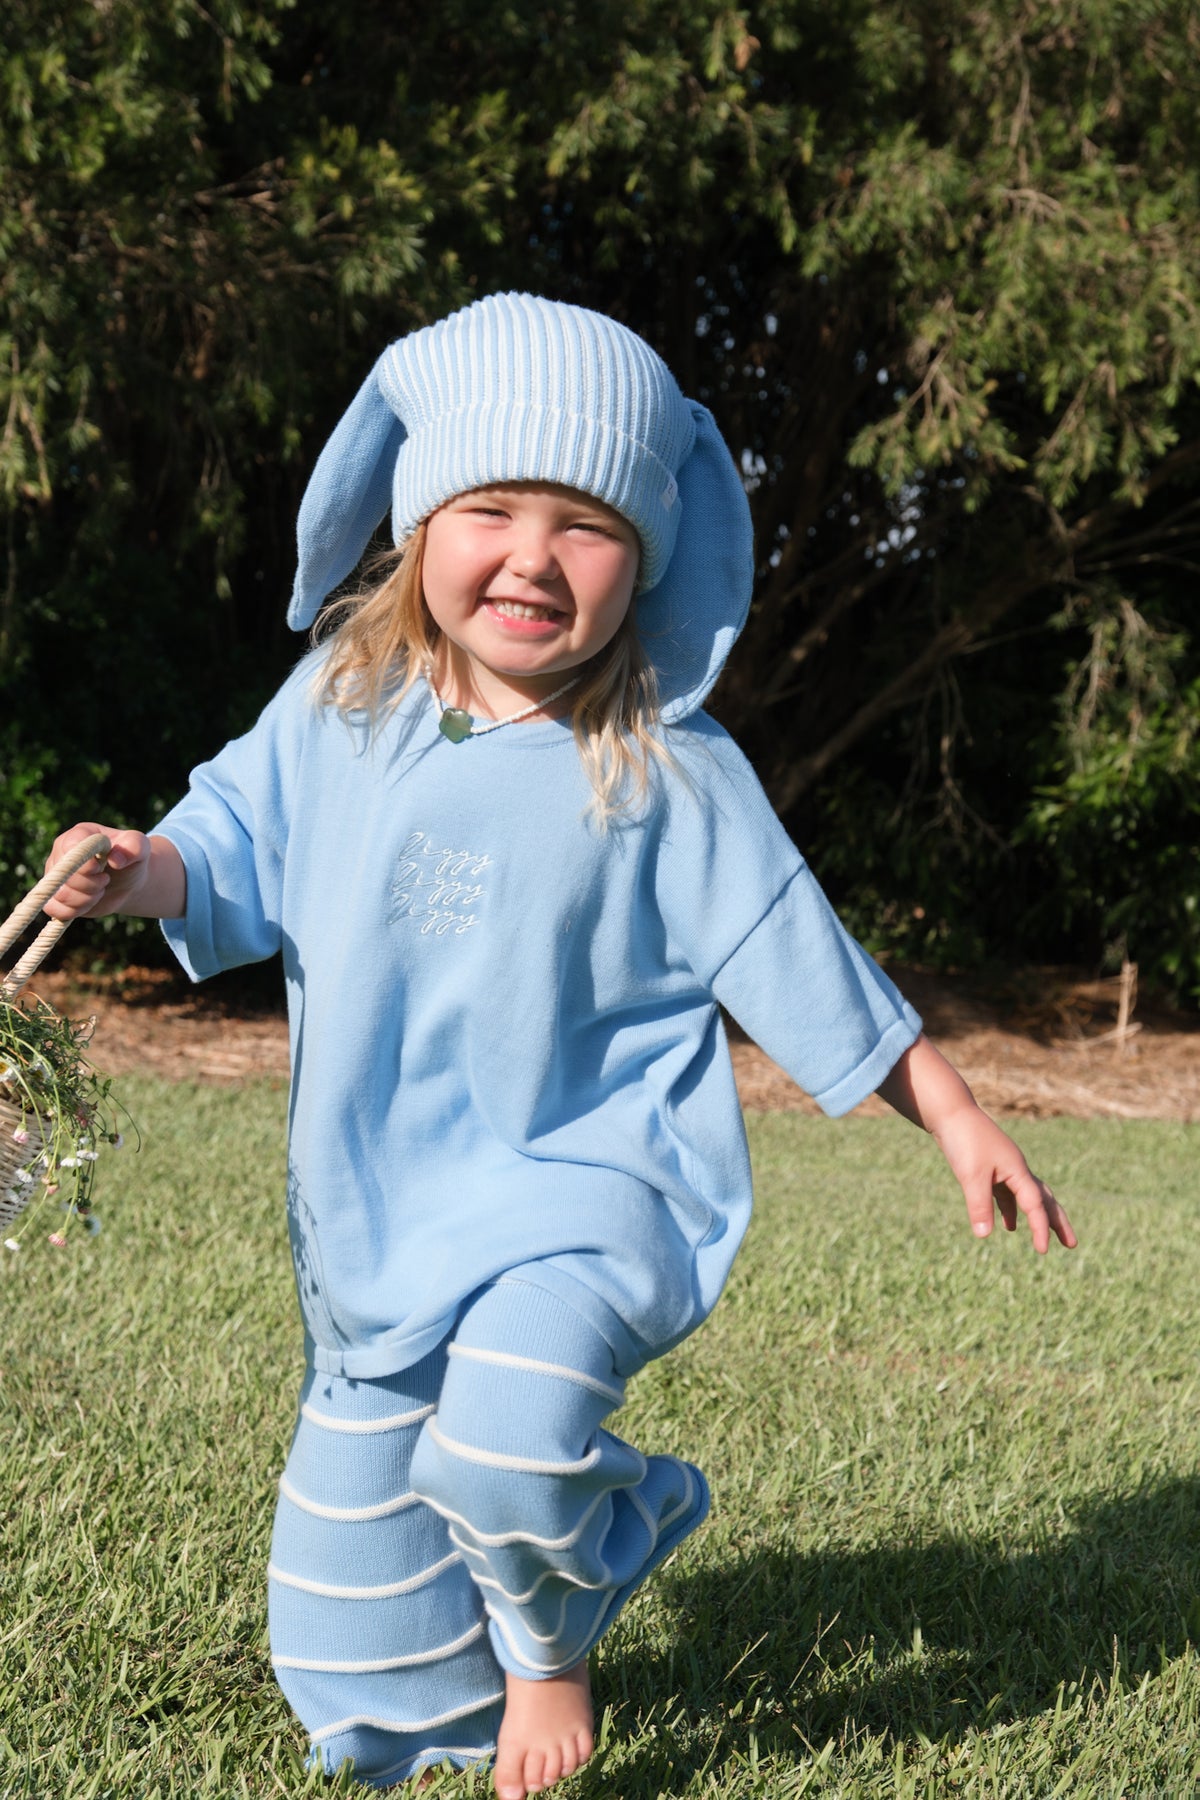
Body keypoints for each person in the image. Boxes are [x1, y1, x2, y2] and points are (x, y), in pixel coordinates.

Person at [45, 292, 1076, 1798]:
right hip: (383, 1216)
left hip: (593, 1197)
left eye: (584, 525)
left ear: (640, 558)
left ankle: (550, 1641)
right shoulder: (340, 706)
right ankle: (489, 1672)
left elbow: (801, 954)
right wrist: (134, 868)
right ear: (419, 526)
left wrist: (956, 1113)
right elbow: (230, 848)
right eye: (492, 509)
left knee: (506, 1446)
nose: (533, 555)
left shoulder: (665, 764)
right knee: (348, 1640)